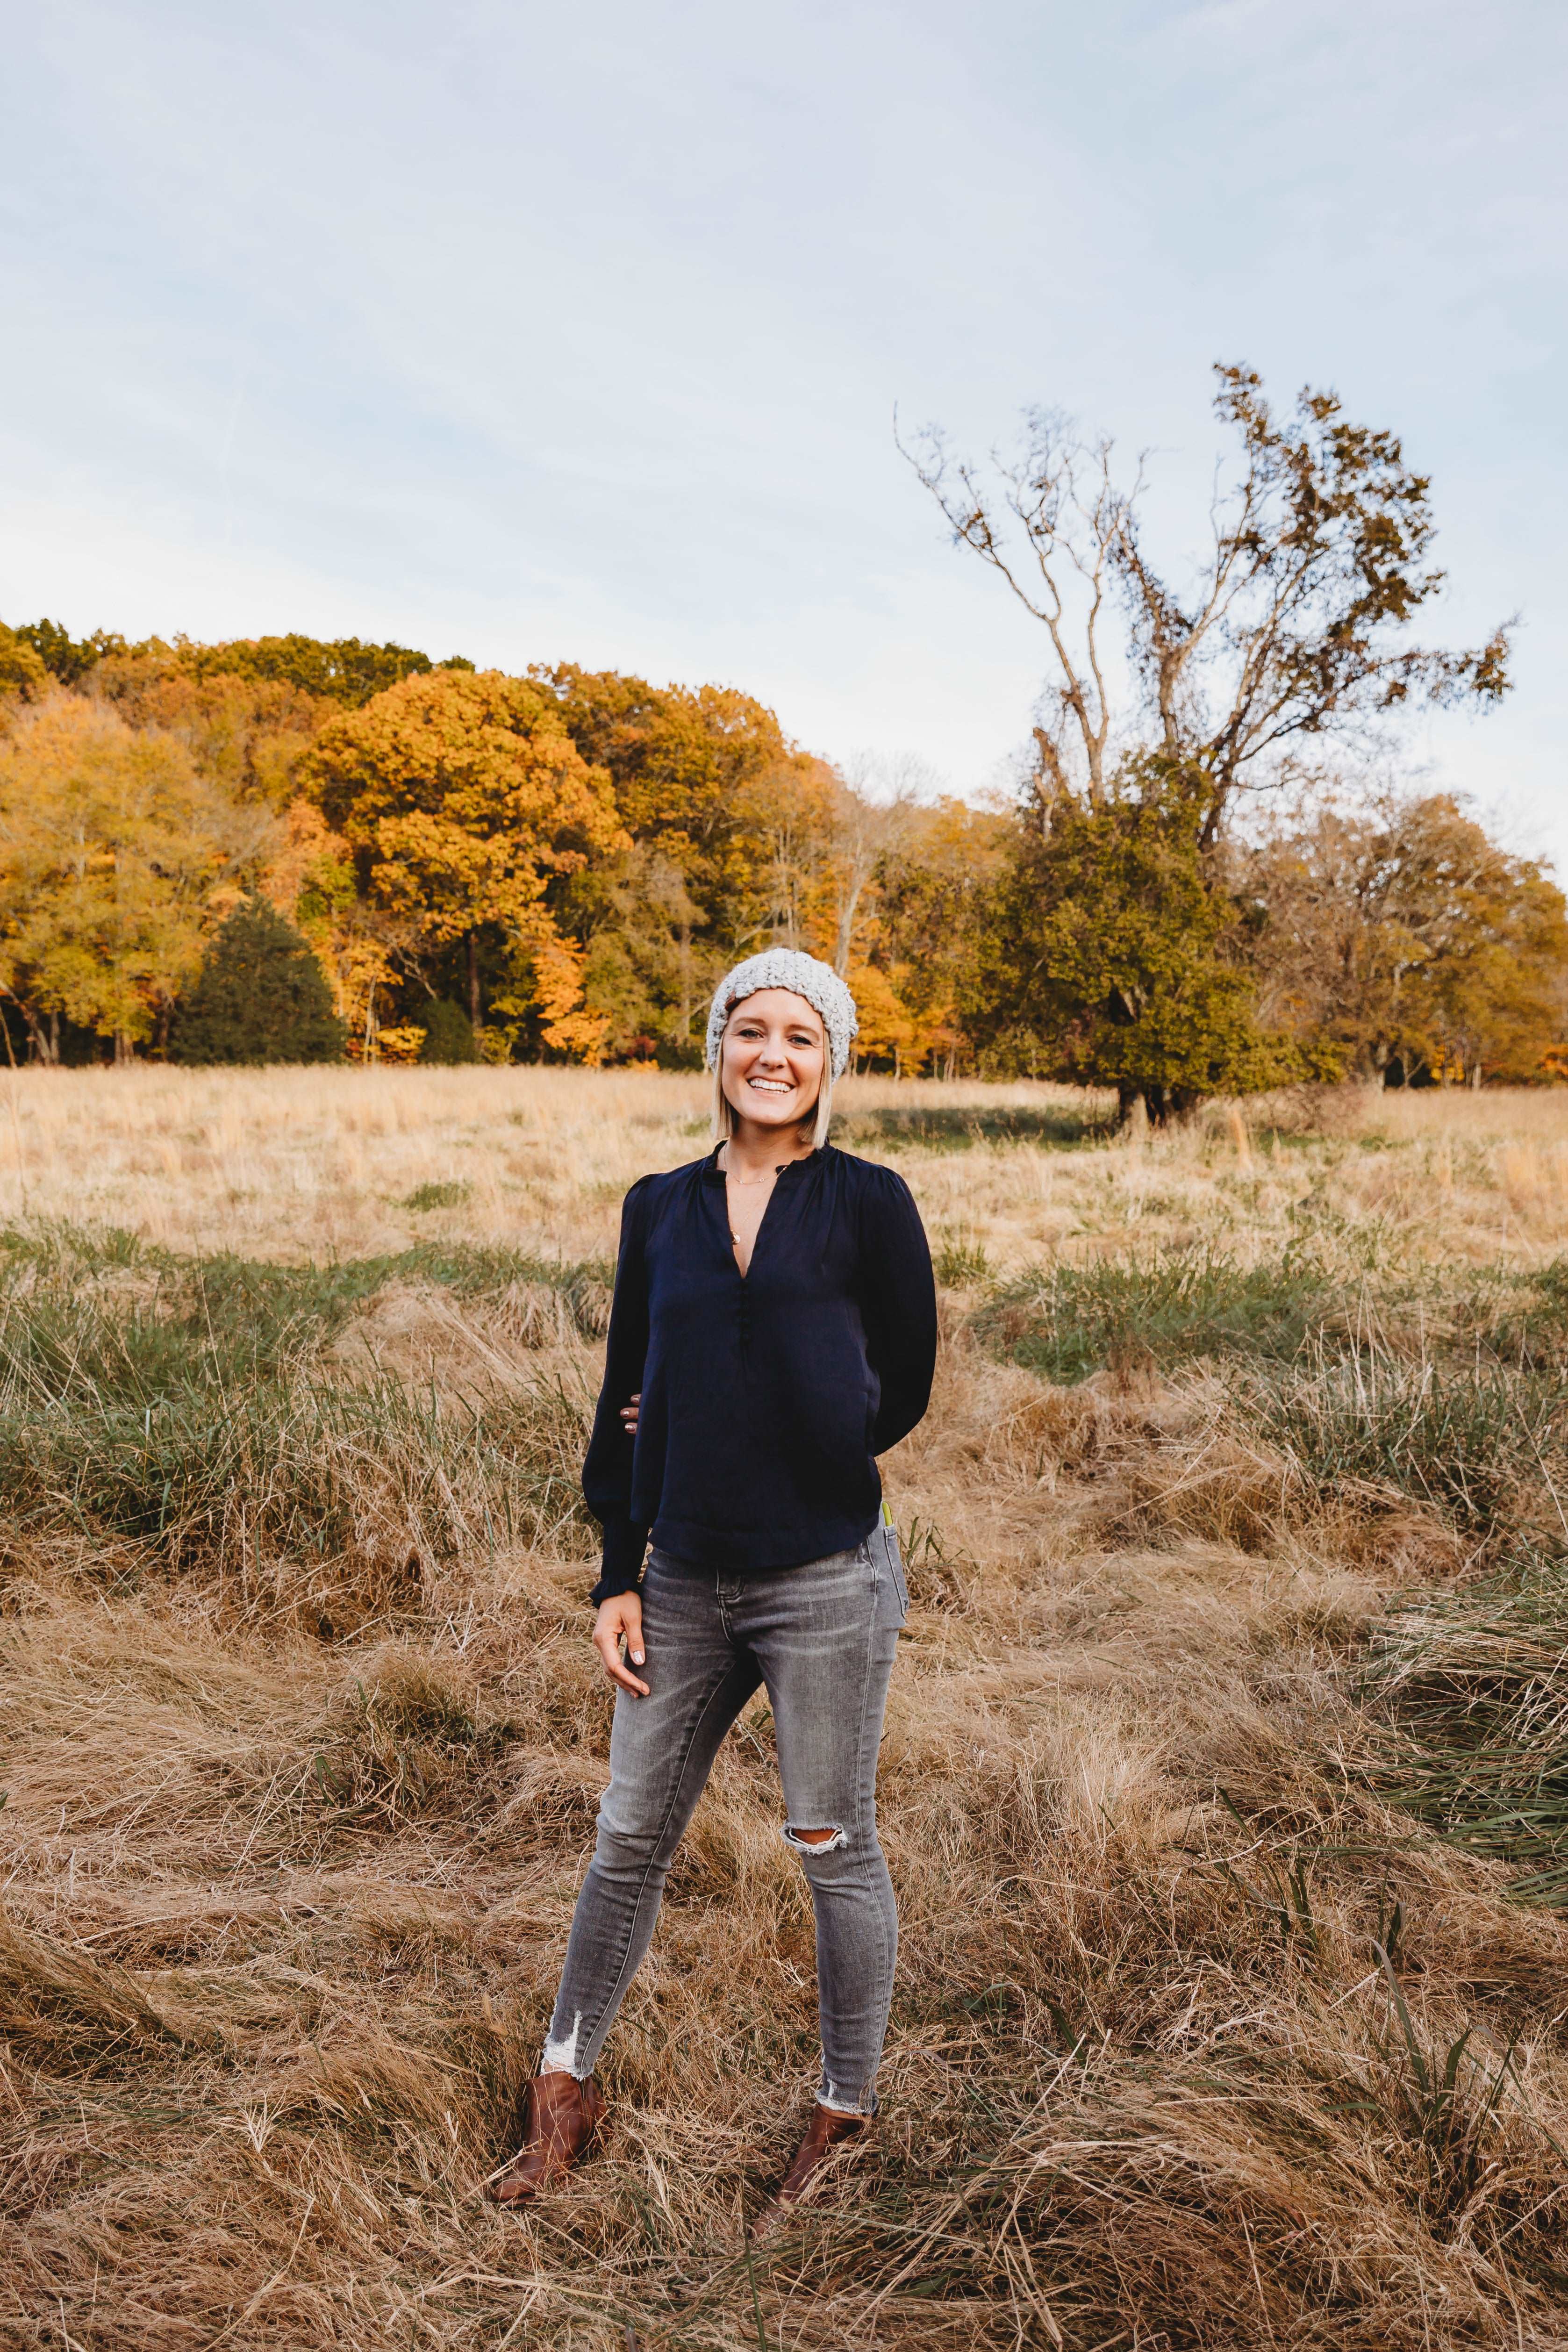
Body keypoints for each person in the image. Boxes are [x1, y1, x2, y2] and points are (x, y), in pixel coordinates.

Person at [489, 949, 938, 2227]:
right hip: (681, 1577)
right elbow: (623, 1392)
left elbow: (903, 1379)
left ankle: (841, 2109)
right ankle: (564, 2089)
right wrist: (615, 1571)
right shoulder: (659, 1207)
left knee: (830, 1842)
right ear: (718, 1049)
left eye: (800, 1036)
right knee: (628, 1834)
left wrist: (796, 1422)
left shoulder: (868, 1201)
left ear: (829, 1063)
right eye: (751, 1030)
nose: (772, 1056)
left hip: (824, 1581)